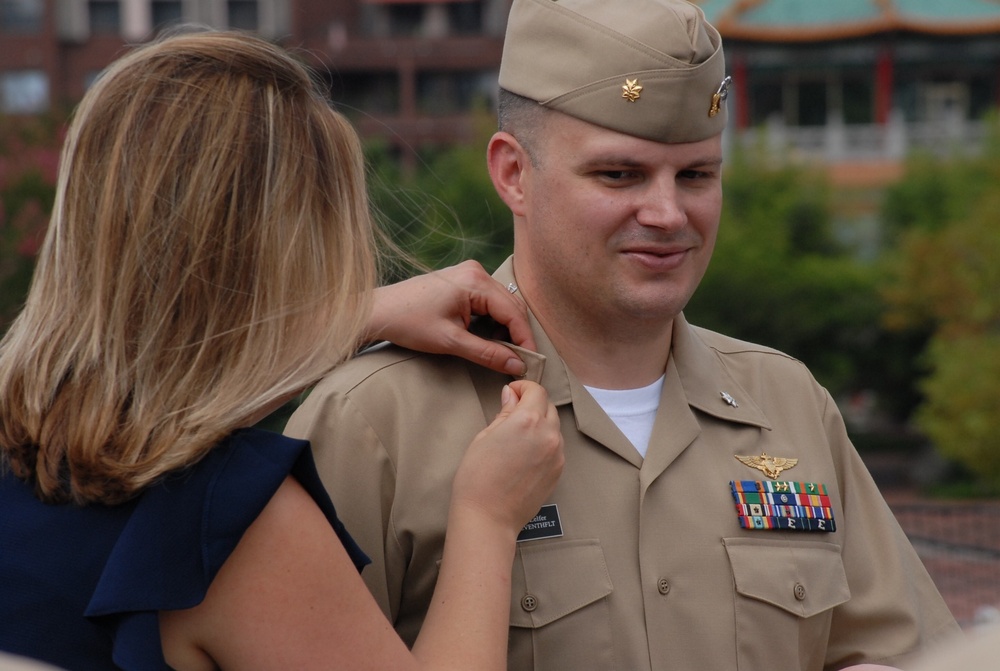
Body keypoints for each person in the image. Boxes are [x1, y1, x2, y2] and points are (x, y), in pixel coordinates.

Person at [285, 0, 961, 669]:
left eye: (696, 175)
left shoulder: (789, 403)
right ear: (514, 174)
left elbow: (907, 650)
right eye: (619, 174)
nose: (668, 214)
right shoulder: (376, 421)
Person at [0, 30, 565, 671]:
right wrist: (487, 518)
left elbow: (162, 359)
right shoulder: (231, 527)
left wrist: (356, 314)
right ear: (286, 253)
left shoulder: (27, 458)